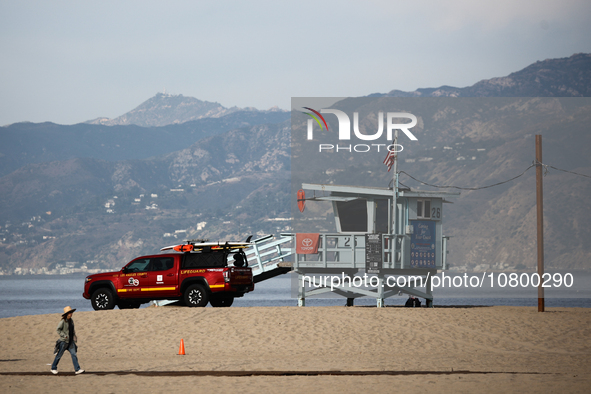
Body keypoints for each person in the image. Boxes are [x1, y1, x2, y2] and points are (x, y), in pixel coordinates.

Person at [51, 306, 84, 375]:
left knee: (74, 354)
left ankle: (77, 369)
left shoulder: (71, 320)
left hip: (71, 342)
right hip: (64, 342)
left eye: (71, 312)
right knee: (59, 355)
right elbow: (58, 329)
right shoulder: (63, 321)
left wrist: (74, 337)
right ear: (66, 314)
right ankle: (53, 368)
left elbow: (72, 330)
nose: (71, 313)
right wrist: (64, 335)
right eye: (69, 312)